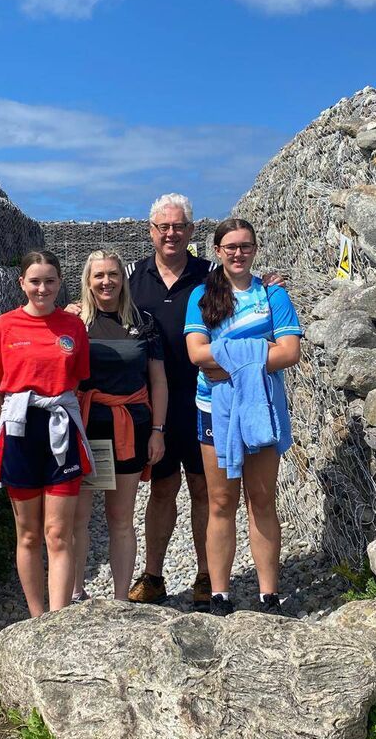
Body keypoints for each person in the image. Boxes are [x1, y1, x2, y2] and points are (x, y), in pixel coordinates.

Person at [184, 218, 302, 616]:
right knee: (220, 500)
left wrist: (230, 359)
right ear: (217, 251)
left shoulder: (273, 297)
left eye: (245, 246)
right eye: (230, 247)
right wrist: (257, 351)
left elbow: (290, 352)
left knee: (263, 498)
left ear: (255, 249)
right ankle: (221, 593)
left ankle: (269, 594)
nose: (238, 253)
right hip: (213, 410)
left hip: (261, 407)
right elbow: (196, 354)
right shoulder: (202, 297)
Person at [0, 250, 93, 617]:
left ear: (60, 283)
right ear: (22, 284)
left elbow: (79, 382)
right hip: (20, 433)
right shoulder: (4, 326)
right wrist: (12, 422)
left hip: (60, 429)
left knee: (59, 534)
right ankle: (36, 618)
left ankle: (57, 620)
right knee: (27, 534)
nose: (42, 288)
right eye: (35, 281)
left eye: (50, 281)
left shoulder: (73, 327)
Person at [123, 194, 214, 609]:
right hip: (152, 404)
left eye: (179, 226)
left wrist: (268, 286)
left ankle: (207, 576)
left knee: (202, 488)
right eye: (163, 227)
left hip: (202, 399)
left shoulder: (211, 275)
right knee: (161, 488)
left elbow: (247, 296)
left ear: (191, 232)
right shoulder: (131, 277)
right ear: (151, 231)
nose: (171, 233)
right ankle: (154, 575)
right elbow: (99, 306)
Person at [72, 251, 168, 601]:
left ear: (123, 278)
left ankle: (120, 599)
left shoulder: (143, 321)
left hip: (131, 429)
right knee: (79, 517)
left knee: (120, 517)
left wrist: (158, 430)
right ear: (88, 280)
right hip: (87, 428)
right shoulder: (75, 322)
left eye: (113, 274)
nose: (106, 282)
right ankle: (75, 593)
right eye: (98, 275)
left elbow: (158, 380)